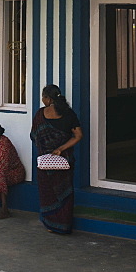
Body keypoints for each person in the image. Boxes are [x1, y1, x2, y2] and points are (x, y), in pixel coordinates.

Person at [31, 84, 83, 234]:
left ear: (48, 98)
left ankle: (51, 225)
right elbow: (78, 136)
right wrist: (61, 149)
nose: (42, 100)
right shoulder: (69, 113)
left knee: (48, 194)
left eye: (43, 97)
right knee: (65, 191)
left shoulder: (40, 114)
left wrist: (46, 149)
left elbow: (34, 136)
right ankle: (64, 225)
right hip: (64, 160)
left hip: (45, 162)